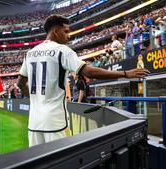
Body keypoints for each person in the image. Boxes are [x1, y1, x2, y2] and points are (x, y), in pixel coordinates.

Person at [17, 15, 149, 147]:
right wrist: (125, 73)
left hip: (34, 123)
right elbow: (88, 72)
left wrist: (37, 98)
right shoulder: (62, 51)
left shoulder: (30, 53)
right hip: (55, 122)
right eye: (66, 31)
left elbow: (20, 83)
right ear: (55, 31)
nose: (69, 36)